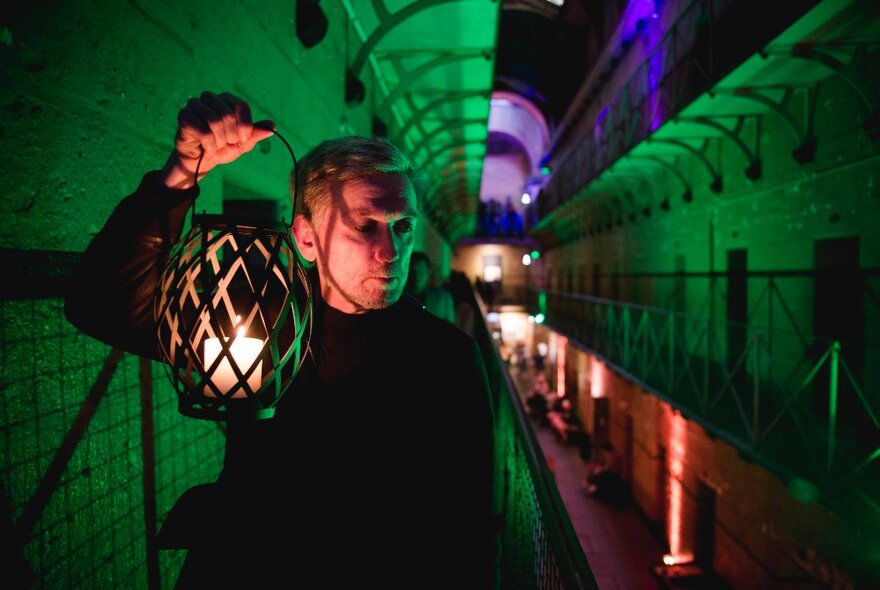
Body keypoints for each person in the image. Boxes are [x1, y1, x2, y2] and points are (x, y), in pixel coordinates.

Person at [64, 91, 497, 589]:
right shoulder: (252, 319)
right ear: (306, 238)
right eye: (366, 226)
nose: (391, 251)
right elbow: (100, 306)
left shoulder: (445, 359)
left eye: (403, 227)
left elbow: (471, 529)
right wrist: (183, 173)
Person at [405, 251, 456, 324]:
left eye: (421, 272)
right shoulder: (398, 299)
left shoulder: (443, 298)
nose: (417, 276)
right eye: (413, 272)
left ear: (428, 272)